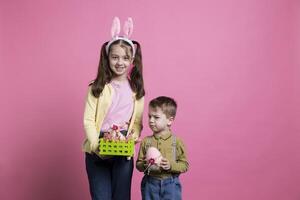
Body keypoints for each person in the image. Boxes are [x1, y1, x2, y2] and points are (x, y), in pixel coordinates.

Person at [83, 17, 145, 200]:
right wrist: (95, 146)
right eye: (115, 57)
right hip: (98, 148)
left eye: (125, 58)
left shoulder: (136, 90)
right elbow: (88, 119)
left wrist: (132, 138)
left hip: (123, 152)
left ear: (132, 59)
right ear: (107, 57)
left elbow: (137, 124)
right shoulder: (97, 87)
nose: (120, 62)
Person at [136, 96, 189, 200]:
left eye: (156, 117)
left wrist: (170, 165)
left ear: (170, 120)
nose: (151, 120)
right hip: (150, 184)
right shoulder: (146, 141)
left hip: (171, 185)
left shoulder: (177, 142)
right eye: (149, 116)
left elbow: (184, 165)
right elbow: (138, 164)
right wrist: (145, 165)